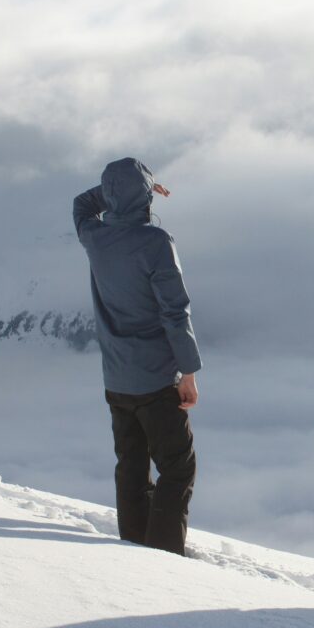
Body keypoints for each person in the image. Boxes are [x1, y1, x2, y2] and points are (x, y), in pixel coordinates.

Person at [73, 157, 202, 556]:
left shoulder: (94, 235)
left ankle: (133, 547)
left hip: (116, 378)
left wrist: (122, 193)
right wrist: (189, 372)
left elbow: (82, 203)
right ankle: (163, 556)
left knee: (131, 464)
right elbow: (175, 311)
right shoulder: (155, 243)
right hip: (156, 377)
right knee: (177, 468)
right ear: (146, 196)